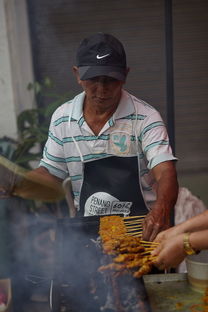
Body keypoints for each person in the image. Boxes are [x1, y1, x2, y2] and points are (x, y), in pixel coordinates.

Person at [1, 32, 178, 241]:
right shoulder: (62, 119)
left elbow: (165, 172)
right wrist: (17, 184)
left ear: (125, 75)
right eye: (93, 79)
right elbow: (51, 174)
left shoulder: (146, 118)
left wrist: (162, 209)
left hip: (142, 233)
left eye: (110, 80)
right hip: (87, 237)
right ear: (77, 74)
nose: (101, 89)